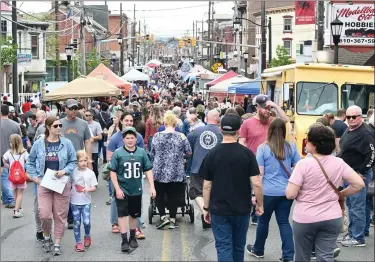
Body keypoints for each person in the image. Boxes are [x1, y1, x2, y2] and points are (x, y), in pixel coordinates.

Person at [286, 123, 365, 261]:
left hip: (305, 217)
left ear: (314, 145)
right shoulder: (339, 162)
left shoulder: (303, 164)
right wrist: (342, 193)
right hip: (332, 216)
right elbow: (359, 184)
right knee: (325, 256)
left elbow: (290, 194)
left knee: (302, 256)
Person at [199, 113, 264, 262]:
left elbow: (207, 186)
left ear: (221, 129)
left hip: (219, 209)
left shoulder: (212, 154)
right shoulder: (247, 154)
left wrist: (206, 208)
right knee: (238, 246)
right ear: (239, 130)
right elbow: (256, 183)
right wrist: (260, 204)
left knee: (223, 246)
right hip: (241, 209)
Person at [246, 118, 300, 262]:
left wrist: (254, 194)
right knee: (284, 222)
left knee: (263, 221)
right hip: (285, 191)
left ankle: (258, 249)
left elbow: (260, 174)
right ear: (284, 130)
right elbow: (299, 167)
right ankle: (288, 255)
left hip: (267, 192)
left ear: (269, 130)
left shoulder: (263, 148)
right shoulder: (291, 147)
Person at [26, 116, 77, 255]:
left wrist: (64, 171)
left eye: (60, 125)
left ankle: (57, 243)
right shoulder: (39, 144)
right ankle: (47, 236)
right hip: (44, 183)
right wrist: (35, 177)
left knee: (60, 215)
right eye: (55, 126)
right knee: (45, 215)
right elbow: (30, 162)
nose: (59, 128)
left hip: (61, 184)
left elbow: (73, 161)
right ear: (48, 127)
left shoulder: (66, 143)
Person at [240, 94, 289, 225]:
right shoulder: (247, 124)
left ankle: (257, 213)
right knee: (252, 188)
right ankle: (251, 212)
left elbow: (285, 119)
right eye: (264, 108)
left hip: (269, 163)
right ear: (257, 107)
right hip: (252, 163)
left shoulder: (273, 121)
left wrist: (276, 106)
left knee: (261, 188)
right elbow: (242, 142)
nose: (267, 111)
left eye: (268, 108)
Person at [109, 127, 156, 252]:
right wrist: (117, 189)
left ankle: (132, 236)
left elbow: (148, 170)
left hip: (136, 189)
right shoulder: (118, 153)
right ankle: (124, 239)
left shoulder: (141, 153)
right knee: (122, 215)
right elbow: (112, 172)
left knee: (134, 215)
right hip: (122, 189)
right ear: (123, 139)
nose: (130, 140)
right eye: (127, 138)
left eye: (132, 138)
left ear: (136, 139)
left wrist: (152, 187)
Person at [337, 105, 375, 247]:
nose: (351, 119)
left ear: (361, 117)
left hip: (358, 174)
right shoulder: (350, 129)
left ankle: (358, 238)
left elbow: (371, 155)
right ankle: (353, 232)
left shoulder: (365, 134)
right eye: (348, 117)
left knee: (357, 206)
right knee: (352, 204)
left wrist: (361, 171)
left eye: (354, 117)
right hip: (349, 173)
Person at [150, 112, 192, 229]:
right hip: (176, 170)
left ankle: (163, 217)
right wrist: (181, 156)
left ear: (164, 123)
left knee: (159, 194)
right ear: (175, 124)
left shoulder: (157, 136)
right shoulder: (181, 136)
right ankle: (173, 219)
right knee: (173, 195)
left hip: (159, 170)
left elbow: (152, 153)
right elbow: (189, 152)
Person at [107, 112, 146, 238]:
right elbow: (109, 156)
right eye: (126, 120)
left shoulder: (138, 137)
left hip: (134, 174)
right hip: (119, 174)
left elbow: (141, 154)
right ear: (121, 121)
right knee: (116, 197)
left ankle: (137, 227)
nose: (128, 123)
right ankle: (115, 223)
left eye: (130, 121)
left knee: (137, 200)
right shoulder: (115, 138)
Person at [60, 99, 92, 230]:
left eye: (76, 108)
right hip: (63, 161)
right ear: (65, 109)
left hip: (79, 161)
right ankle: (67, 216)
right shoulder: (60, 124)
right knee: (65, 190)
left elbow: (88, 142)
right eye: (71, 108)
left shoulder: (83, 123)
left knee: (77, 189)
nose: (74, 110)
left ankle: (74, 216)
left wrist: (89, 162)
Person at [188, 109, 222, 229]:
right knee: (212, 193)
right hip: (216, 169)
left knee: (197, 192)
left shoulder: (196, 131)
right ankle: (208, 213)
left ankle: (204, 212)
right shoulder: (221, 133)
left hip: (198, 167)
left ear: (206, 118)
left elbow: (189, 149)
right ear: (218, 119)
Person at [70, 150, 98, 252]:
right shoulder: (73, 172)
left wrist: (88, 189)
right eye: (81, 161)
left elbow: (94, 187)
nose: (83, 163)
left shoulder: (90, 173)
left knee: (86, 222)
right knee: (76, 223)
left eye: (85, 160)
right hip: (74, 202)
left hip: (86, 202)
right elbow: (68, 183)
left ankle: (87, 235)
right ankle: (78, 243)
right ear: (77, 161)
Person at [2, 134, 29, 218]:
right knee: (20, 193)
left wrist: (9, 166)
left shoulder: (9, 152)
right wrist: (26, 170)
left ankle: (19, 209)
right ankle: (16, 210)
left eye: (10, 141)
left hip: (12, 176)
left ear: (12, 143)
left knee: (15, 192)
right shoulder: (24, 151)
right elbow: (28, 161)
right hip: (21, 176)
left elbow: (3, 160)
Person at [1, 104, 21, 208]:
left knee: (4, 177)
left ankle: (10, 199)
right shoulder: (15, 124)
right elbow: (20, 139)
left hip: (1, 154)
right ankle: (6, 199)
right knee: (10, 176)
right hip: (14, 154)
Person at [85, 110, 103, 181]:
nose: (86, 117)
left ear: (92, 116)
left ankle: (95, 180)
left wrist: (92, 138)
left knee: (94, 165)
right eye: (85, 115)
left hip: (94, 149)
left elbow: (100, 136)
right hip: (85, 149)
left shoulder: (96, 124)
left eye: (88, 115)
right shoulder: (83, 124)